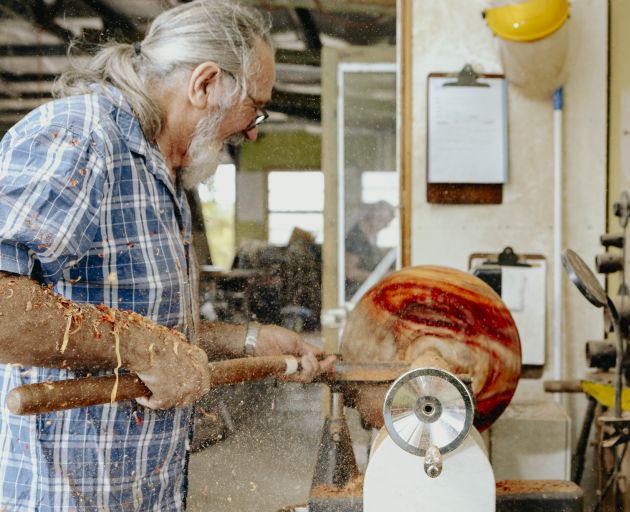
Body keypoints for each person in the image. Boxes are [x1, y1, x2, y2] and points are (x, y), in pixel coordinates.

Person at [0, 1, 334, 509]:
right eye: (254, 107)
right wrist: (141, 349)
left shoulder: (167, 174)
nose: (254, 131)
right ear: (204, 84)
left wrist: (250, 340)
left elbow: (152, 324)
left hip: (144, 490)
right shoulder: (82, 137)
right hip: (66, 494)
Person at [344, 200, 396, 299]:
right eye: (381, 220)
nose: (381, 226)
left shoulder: (372, 235)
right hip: (354, 294)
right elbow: (349, 272)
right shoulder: (356, 237)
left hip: (367, 290)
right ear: (372, 215)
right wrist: (379, 276)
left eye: (385, 224)